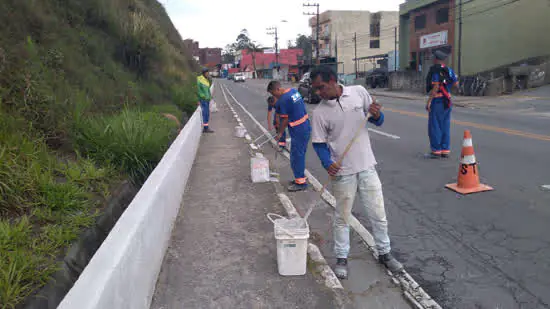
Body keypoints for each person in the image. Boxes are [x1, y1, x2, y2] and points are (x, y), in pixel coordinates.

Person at [309, 66, 403, 279]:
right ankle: (342, 258)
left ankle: (385, 253)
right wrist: (327, 163)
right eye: (316, 89)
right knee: (342, 217)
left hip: (367, 166)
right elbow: (319, 144)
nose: (318, 93)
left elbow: (377, 119)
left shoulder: (359, 92)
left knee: (378, 214)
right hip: (343, 172)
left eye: (321, 87)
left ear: (333, 80)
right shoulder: (320, 113)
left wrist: (377, 114)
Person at [267, 81, 311, 192]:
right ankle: (299, 178)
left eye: (273, 93)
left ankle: (301, 182)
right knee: (299, 154)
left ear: (277, 89)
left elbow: (284, 120)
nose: (274, 96)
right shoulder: (293, 91)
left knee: (296, 156)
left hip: (298, 129)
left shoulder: (283, 100)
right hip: (305, 125)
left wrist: (280, 133)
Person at [425, 50, 458, 158]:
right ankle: (445, 150)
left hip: (437, 101)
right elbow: (456, 84)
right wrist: (447, 89)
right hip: (447, 101)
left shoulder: (436, 71)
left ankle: (436, 151)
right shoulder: (449, 70)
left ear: (435, 59)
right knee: (445, 125)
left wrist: (429, 101)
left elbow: (435, 87)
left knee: (435, 126)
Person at [197, 67, 214, 133]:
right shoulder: (200, 80)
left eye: (208, 73)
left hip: (207, 99)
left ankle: (206, 127)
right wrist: (203, 97)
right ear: (204, 73)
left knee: (207, 114)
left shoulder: (205, 80)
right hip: (203, 100)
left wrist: (210, 97)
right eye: (207, 73)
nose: (208, 74)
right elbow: (199, 90)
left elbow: (207, 90)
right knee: (205, 113)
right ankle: (205, 128)